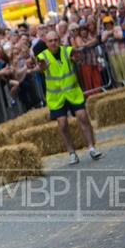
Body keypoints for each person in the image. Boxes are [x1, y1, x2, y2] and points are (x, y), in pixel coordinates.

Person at [36, 31, 103, 165]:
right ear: (46, 43)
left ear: (59, 40)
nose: (54, 43)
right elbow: (40, 67)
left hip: (73, 93)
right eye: (51, 41)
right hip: (57, 97)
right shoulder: (42, 56)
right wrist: (42, 67)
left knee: (83, 117)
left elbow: (77, 57)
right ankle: (71, 152)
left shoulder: (67, 51)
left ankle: (92, 148)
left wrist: (77, 57)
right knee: (62, 124)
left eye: (56, 40)